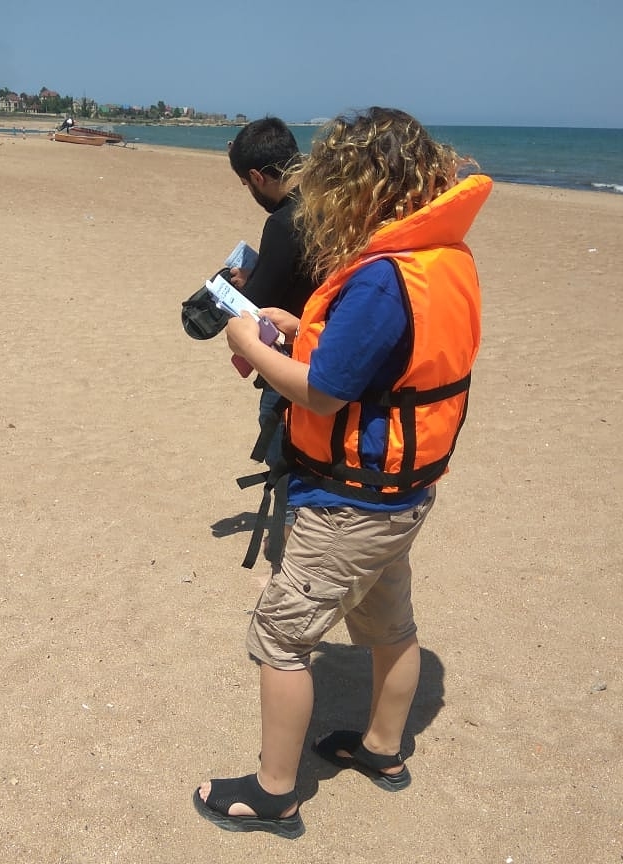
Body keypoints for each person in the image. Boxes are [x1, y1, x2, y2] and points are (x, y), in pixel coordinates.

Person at [192, 107, 492, 839]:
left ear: (359, 186)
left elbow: (323, 391)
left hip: (351, 499)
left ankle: (274, 794)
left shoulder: (383, 279)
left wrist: (248, 339)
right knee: (390, 623)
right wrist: (300, 328)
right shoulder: (443, 257)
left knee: (282, 638)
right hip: (404, 490)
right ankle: (384, 750)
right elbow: (382, 360)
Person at [226, 118, 316, 562]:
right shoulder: (329, 202)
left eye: (248, 184)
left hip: (294, 359)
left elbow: (258, 307)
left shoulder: (284, 222)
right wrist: (261, 271)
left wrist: (241, 288)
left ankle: (287, 544)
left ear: (258, 177)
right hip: (328, 343)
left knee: (284, 453)